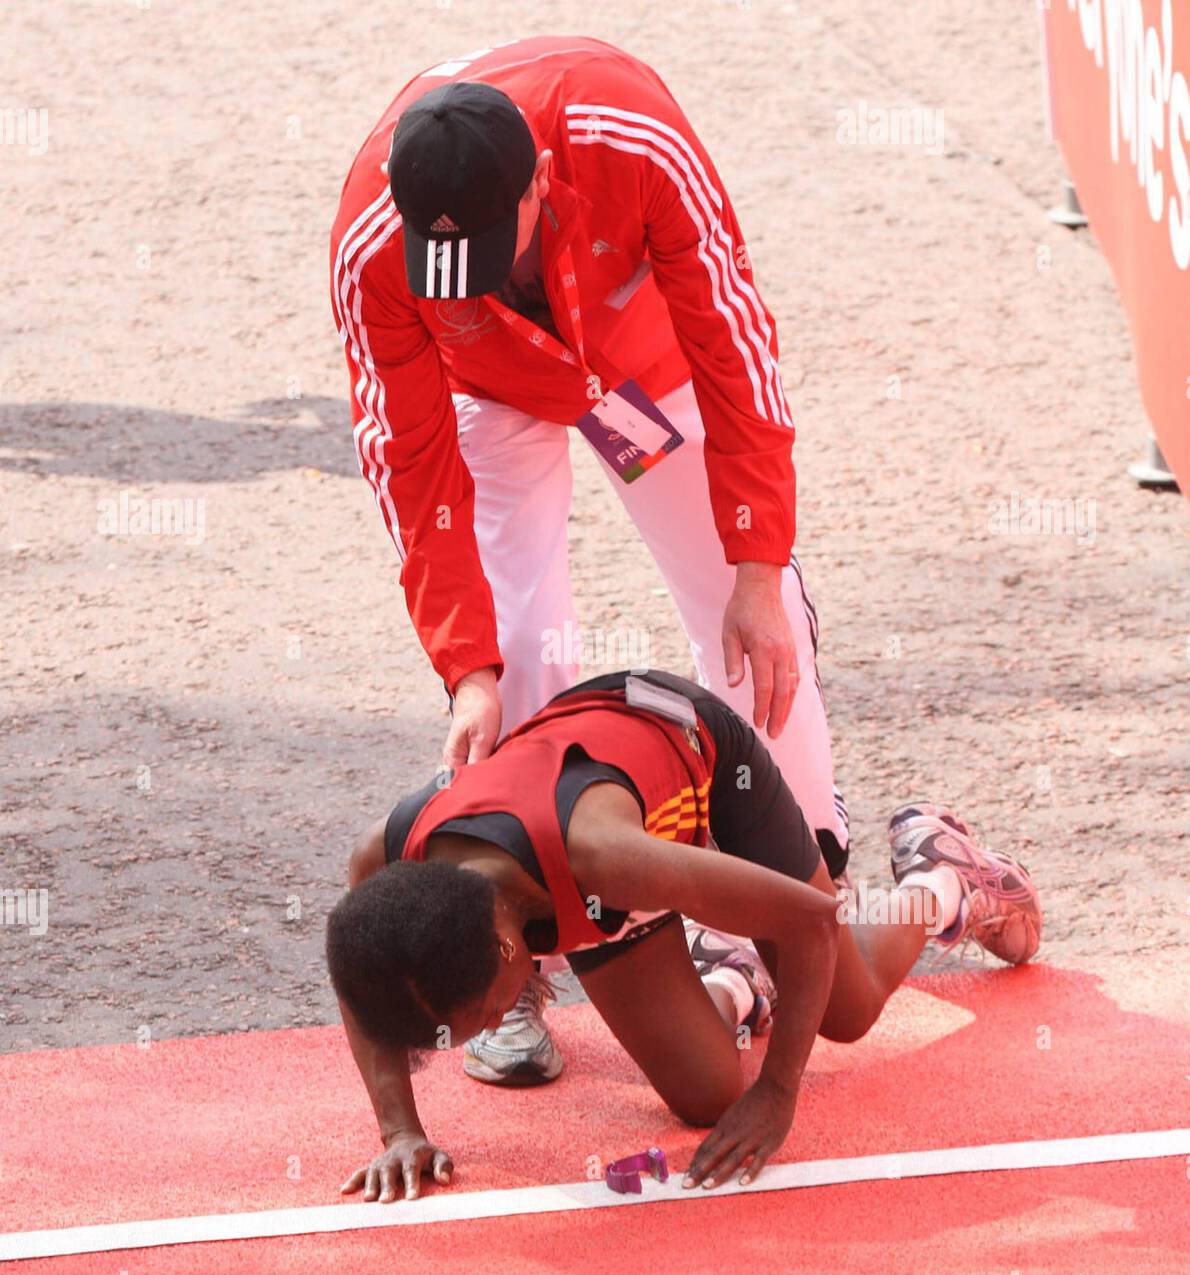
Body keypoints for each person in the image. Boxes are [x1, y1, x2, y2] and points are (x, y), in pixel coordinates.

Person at [331, 36, 851, 1080]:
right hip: (486, 384)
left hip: (636, 367)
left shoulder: (627, 133)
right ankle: (510, 966)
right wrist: (465, 664)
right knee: (516, 655)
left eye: (488, 243)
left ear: (538, 183)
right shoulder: (374, 245)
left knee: (757, 626)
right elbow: (410, 460)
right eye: (448, 262)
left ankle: (796, 892)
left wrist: (753, 566)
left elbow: (732, 342)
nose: (467, 275)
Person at [327, 671, 1041, 1200]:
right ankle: (734, 967)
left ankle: (940, 875)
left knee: (842, 1012)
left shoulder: (610, 859)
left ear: (511, 949)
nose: (485, 1030)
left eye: (482, 1013)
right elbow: (365, 980)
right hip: (582, 857)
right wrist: (401, 1133)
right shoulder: (386, 862)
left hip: (699, 755)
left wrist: (779, 1091)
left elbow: (813, 920)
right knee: (707, 1100)